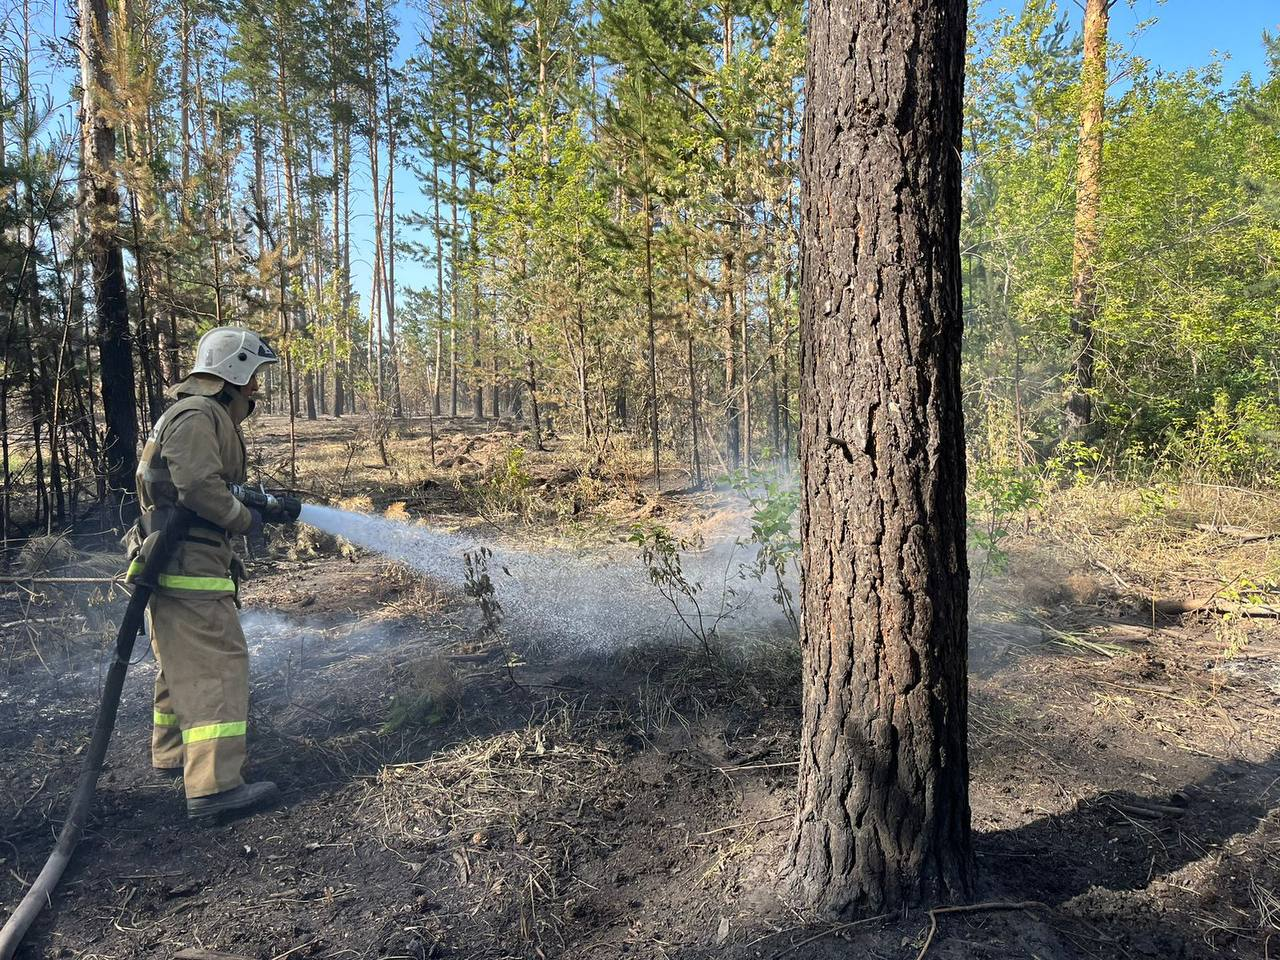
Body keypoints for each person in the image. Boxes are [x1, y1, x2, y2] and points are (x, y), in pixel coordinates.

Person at [124, 327, 294, 819]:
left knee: (181, 662)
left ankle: (176, 755)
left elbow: (196, 485)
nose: (256, 390)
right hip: (186, 563)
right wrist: (243, 519)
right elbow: (198, 485)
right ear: (234, 372)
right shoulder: (199, 414)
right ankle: (215, 786)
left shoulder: (194, 414)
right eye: (254, 378)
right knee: (217, 666)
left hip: (179, 557)